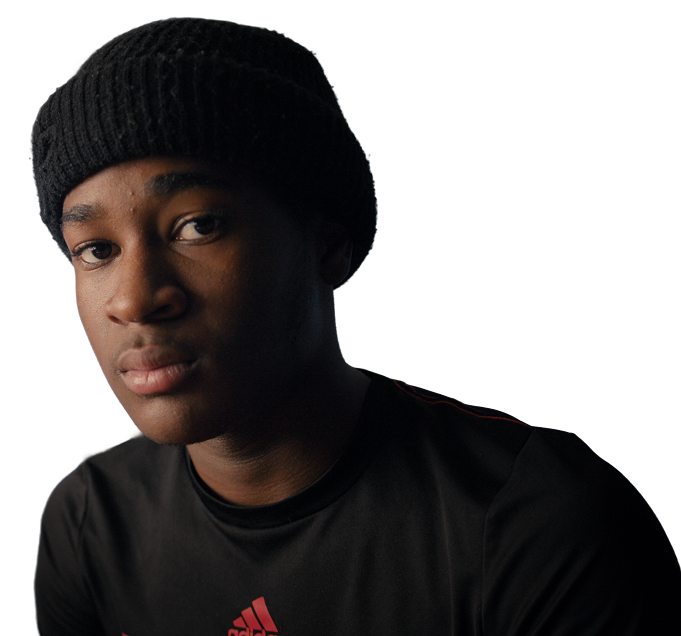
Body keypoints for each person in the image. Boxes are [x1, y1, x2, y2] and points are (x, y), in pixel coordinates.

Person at [32, 18, 680, 635]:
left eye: (199, 225)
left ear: (327, 245)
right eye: (96, 249)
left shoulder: (536, 526)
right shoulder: (88, 522)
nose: (135, 299)